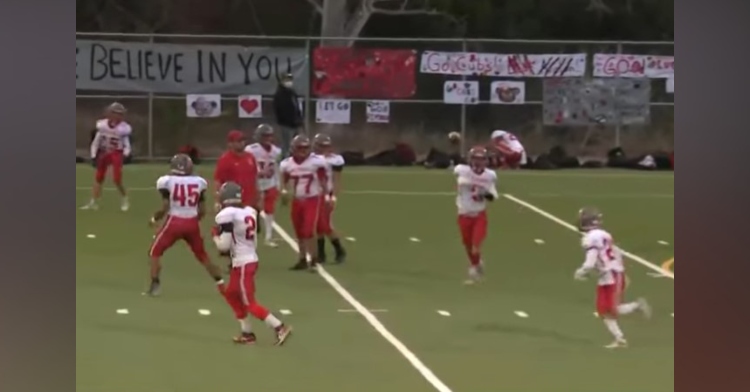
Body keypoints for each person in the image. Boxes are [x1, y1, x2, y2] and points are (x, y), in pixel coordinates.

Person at [213, 182, 293, 345]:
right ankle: (247, 333)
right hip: (246, 259)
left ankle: (279, 327)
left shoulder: (227, 213)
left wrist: (215, 235)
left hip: (243, 262)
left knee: (249, 302)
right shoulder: (249, 211)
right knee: (232, 295)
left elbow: (223, 245)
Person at [146, 154, 225, 297]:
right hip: (192, 222)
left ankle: (155, 284)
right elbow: (202, 210)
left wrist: (154, 218)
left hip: (174, 222)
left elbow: (165, 207)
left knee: (155, 252)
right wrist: (193, 222)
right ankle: (220, 282)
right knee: (202, 255)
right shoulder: (199, 182)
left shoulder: (167, 181)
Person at [574, 207, 652, 349]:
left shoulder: (590, 238)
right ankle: (620, 339)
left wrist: (582, 271)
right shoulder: (604, 234)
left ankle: (636, 307)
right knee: (603, 310)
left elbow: (591, 261)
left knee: (611, 309)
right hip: (609, 274)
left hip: (611, 275)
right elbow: (616, 252)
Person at [279, 135, 330, 271]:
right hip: (296, 200)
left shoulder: (316, 161)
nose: (303, 150)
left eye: (306, 148)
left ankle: (313, 259)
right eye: (300, 148)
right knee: (299, 231)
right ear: (293, 148)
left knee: (308, 230)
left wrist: (327, 196)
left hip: (312, 199)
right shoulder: (287, 164)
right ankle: (302, 258)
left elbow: (323, 180)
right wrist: (284, 192)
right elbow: (283, 181)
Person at [453, 146, 498, 285]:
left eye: (481, 159)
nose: (478, 162)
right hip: (463, 214)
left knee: (475, 245)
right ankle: (476, 262)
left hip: (479, 215)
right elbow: (459, 177)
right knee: (467, 244)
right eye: (475, 159)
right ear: (470, 159)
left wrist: (485, 193)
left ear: (486, 161)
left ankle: (474, 268)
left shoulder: (490, 175)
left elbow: (494, 196)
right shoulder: (462, 170)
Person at [81, 102, 132, 211]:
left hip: (116, 152)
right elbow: (96, 142)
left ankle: (124, 198)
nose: (118, 116)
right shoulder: (102, 125)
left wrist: (126, 154)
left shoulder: (123, 128)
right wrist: (94, 155)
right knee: (99, 178)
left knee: (117, 179)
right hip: (104, 152)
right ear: (110, 113)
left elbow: (126, 144)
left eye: (120, 114)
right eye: (116, 113)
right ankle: (93, 202)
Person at [245, 124, 283, 248]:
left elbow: (277, 168)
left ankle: (268, 237)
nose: (268, 138)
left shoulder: (277, 151)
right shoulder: (251, 150)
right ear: (259, 136)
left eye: (269, 136)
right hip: (255, 182)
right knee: (252, 208)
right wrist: (257, 174)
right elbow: (247, 166)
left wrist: (278, 184)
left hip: (270, 182)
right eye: (265, 136)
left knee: (270, 208)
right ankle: (251, 229)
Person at [312, 133, 347, 264]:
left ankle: (338, 249)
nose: (323, 149)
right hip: (313, 194)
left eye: (325, 146)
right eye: (321, 146)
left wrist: (334, 197)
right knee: (318, 225)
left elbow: (337, 180)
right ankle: (323, 253)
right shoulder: (311, 158)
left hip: (327, 194)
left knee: (324, 224)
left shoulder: (335, 160)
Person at [214, 130, 260, 211]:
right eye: (238, 141)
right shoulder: (225, 160)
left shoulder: (250, 157)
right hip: (233, 203)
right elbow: (218, 182)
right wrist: (218, 201)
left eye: (243, 140)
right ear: (230, 144)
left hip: (251, 203)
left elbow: (255, 178)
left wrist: (258, 197)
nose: (242, 143)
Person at [273, 73, 303, 155]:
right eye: (286, 80)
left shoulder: (292, 92)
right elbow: (280, 110)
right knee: (287, 144)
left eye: (290, 80)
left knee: (296, 143)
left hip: (295, 123)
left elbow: (296, 106)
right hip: (286, 124)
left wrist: (299, 120)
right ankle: (285, 159)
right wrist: (286, 121)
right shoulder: (280, 94)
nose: (289, 82)